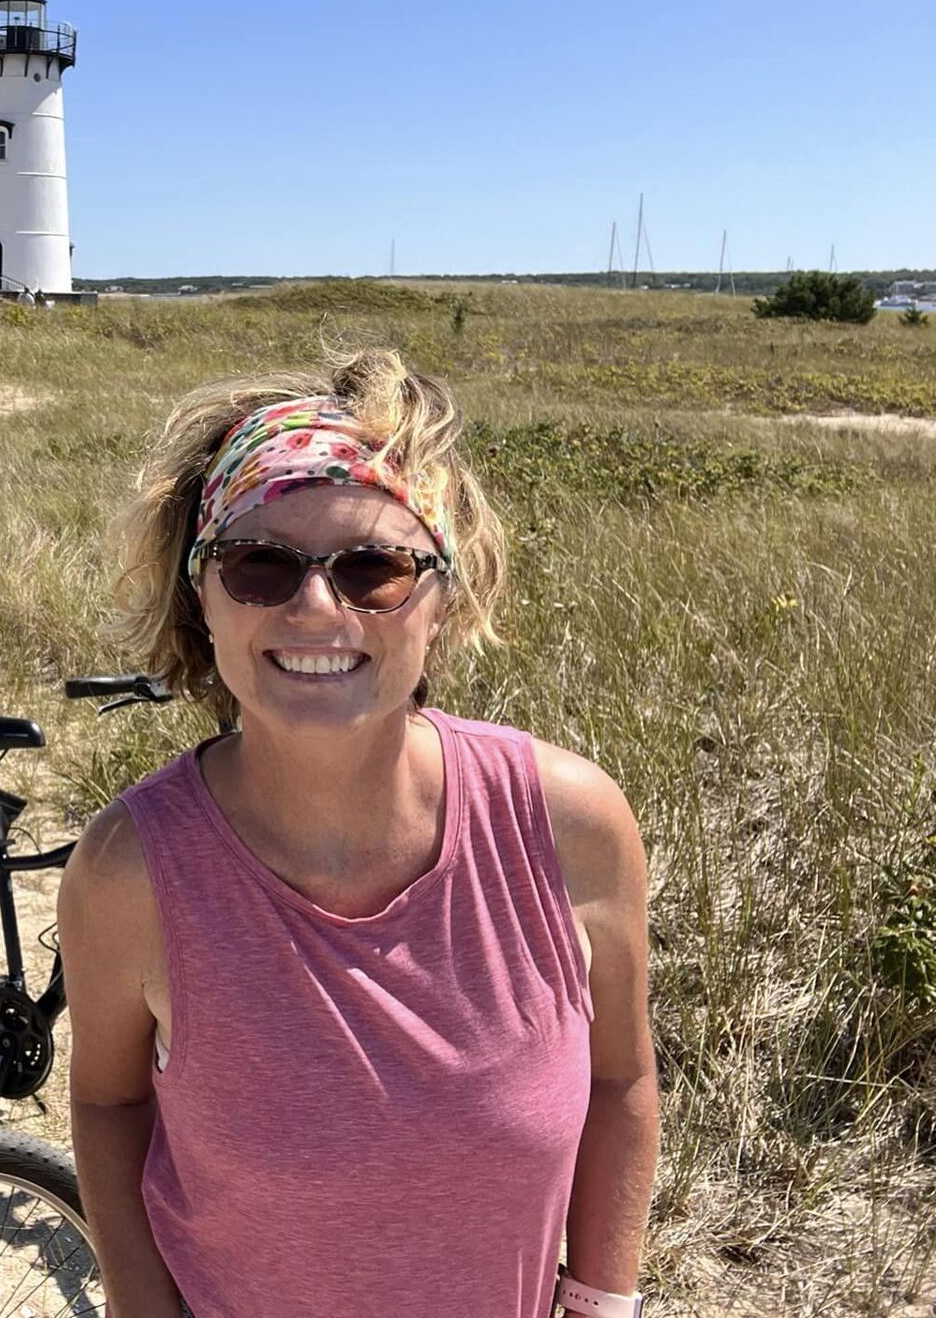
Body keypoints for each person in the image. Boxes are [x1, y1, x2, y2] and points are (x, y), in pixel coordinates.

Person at [60, 351, 658, 1318]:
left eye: (373, 569)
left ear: (444, 599)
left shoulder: (568, 827)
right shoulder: (130, 870)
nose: (315, 608)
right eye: (260, 565)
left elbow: (622, 1082)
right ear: (199, 598)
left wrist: (601, 1305)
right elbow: (109, 1104)